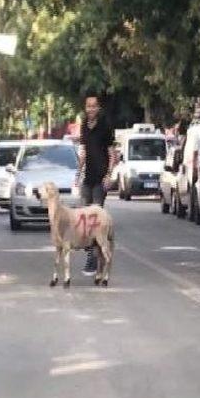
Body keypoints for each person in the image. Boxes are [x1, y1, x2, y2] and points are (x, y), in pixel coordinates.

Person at [78, 93, 115, 277]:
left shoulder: (105, 126)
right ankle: (93, 253)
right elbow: (84, 151)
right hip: (88, 179)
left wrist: (109, 174)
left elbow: (111, 153)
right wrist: (78, 172)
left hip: (100, 179)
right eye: (88, 106)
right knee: (84, 220)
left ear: (98, 108)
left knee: (95, 220)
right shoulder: (84, 125)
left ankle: (94, 259)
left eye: (94, 106)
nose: (91, 109)